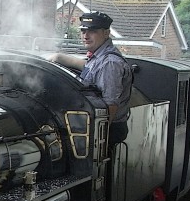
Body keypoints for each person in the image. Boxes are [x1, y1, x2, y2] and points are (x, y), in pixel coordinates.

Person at [49, 11, 134, 145]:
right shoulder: (100, 57)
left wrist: (96, 139)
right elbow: (91, 69)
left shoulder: (110, 63)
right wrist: (60, 58)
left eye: (92, 31)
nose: (86, 36)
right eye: (83, 31)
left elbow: (110, 105)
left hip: (105, 131)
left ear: (106, 33)